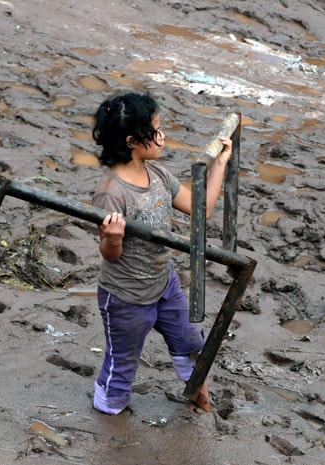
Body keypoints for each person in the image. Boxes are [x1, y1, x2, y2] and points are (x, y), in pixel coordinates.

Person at [90, 92, 232, 415]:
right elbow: (110, 255)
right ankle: (106, 423)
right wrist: (112, 239)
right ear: (132, 141)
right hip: (126, 298)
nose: (162, 135)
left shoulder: (159, 176)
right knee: (121, 369)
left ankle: (204, 406)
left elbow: (201, 209)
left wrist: (220, 163)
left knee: (192, 345)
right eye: (155, 130)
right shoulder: (111, 193)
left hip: (164, 285)